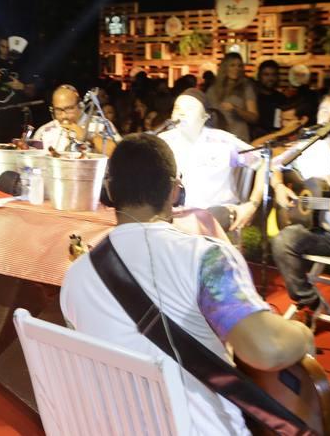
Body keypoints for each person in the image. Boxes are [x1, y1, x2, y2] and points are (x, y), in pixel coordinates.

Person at [60, 133, 314, 436]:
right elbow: (268, 350)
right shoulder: (206, 257)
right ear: (174, 190)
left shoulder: (76, 275)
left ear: (110, 190)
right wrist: (302, 334)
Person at [270, 87, 330, 327]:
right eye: (323, 109)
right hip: (319, 231)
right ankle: (308, 301)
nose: (326, 115)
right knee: (284, 241)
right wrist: (279, 186)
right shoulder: (310, 144)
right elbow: (276, 163)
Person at [159, 89, 265, 232]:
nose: (181, 113)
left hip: (218, 215)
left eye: (190, 108)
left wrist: (252, 204)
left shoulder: (223, 144)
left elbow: (263, 162)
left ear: (205, 116)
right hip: (174, 218)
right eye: (177, 109)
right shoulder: (162, 143)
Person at [0, 35, 38, 143]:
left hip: (15, 120)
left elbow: (32, 92)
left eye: (8, 47)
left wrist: (22, 86)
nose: (5, 50)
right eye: (2, 46)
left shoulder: (23, 65)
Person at [33, 84, 119, 155]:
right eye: (58, 110)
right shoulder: (44, 131)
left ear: (80, 105)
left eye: (69, 109)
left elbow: (118, 155)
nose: (63, 116)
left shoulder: (101, 125)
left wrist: (88, 136)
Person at [205, 53, 258, 142]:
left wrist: (236, 109)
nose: (236, 69)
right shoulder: (212, 90)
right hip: (218, 139)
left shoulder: (246, 87)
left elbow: (254, 117)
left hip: (239, 139)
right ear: (225, 67)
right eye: (232, 65)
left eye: (239, 66)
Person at [253, 59, 288, 139]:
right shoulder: (253, 97)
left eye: (273, 74)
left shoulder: (281, 98)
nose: (270, 78)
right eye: (266, 75)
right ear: (259, 76)